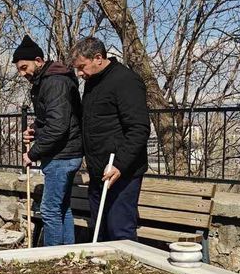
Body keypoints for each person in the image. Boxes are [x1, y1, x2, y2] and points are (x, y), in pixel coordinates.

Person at [68, 37, 150, 242]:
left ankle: (128, 264)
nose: (79, 73)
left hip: (122, 173)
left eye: (82, 67)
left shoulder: (126, 81)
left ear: (98, 58)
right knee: (100, 230)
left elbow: (139, 128)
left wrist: (120, 165)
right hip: (99, 171)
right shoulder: (92, 82)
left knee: (120, 231)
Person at [15, 35, 83, 246]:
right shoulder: (48, 80)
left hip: (62, 155)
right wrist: (35, 129)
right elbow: (53, 118)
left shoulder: (54, 82)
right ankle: (67, 253)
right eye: (19, 69)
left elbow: (58, 127)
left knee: (50, 210)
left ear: (38, 60)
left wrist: (32, 153)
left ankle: (51, 256)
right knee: (62, 208)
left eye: (24, 67)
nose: (22, 73)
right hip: (66, 152)